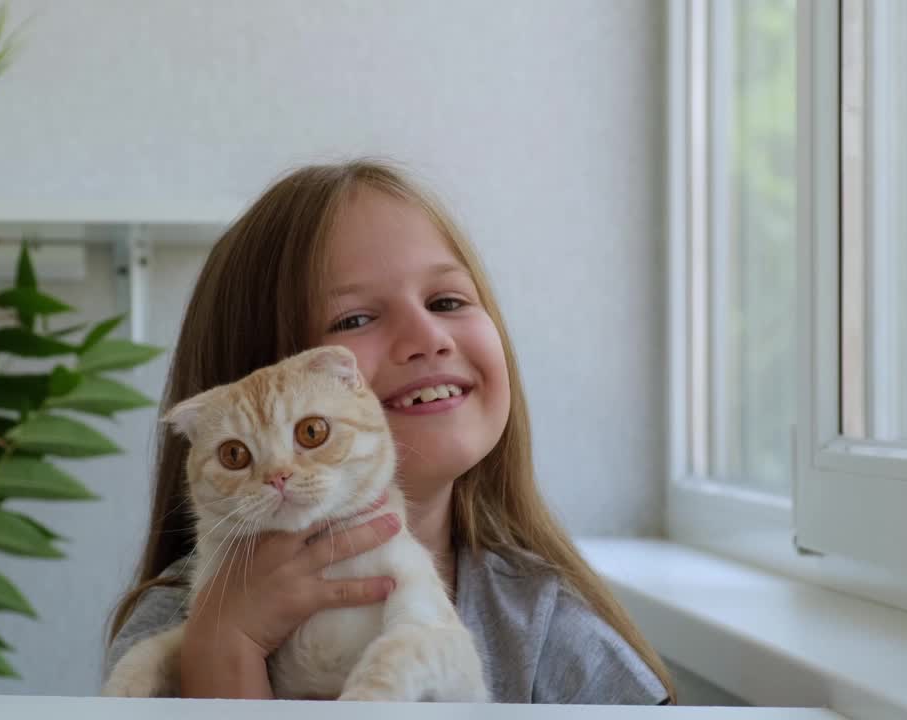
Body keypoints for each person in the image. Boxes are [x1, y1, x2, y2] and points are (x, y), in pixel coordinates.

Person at [104, 159, 675, 705]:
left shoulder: (546, 624)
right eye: (354, 319)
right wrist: (224, 650)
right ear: (256, 381)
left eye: (447, 301)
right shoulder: (172, 624)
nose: (428, 337)